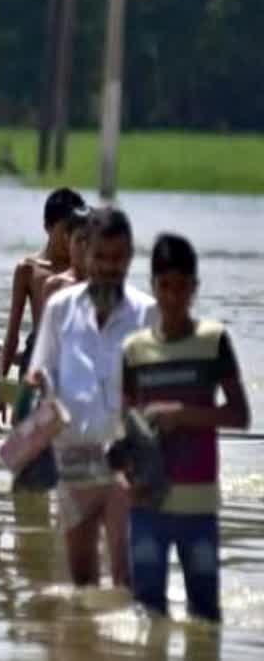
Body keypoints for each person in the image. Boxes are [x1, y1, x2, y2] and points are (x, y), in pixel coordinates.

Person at [121, 234, 250, 623]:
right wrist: (126, 470)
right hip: (147, 504)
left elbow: (240, 415)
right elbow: (124, 423)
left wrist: (182, 414)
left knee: (205, 617)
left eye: (182, 287)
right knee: (148, 616)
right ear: (154, 287)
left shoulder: (213, 342)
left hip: (199, 506)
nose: (174, 297)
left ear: (194, 288)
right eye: (165, 287)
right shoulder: (135, 349)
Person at [26, 208, 156, 589]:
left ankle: (129, 643)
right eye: (100, 257)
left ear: (130, 257)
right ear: (85, 255)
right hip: (74, 457)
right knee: (82, 577)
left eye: (117, 259)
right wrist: (37, 385)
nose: (108, 267)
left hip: (125, 462)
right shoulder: (60, 309)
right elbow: (43, 370)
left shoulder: (147, 314)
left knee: (124, 572)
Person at [0, 188, 86, 429]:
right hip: (36, 356)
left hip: (72, 357)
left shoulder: (82, 271)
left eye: (75, 232)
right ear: (48, 227)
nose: (69, 239)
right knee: (23, 428)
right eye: (65, 231)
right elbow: (12, 335)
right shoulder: (28, 270)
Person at [43, 211, 92, 302]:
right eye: (79, 240)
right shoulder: (55, 285)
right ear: (68, 239)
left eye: (89, 240)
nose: (84, 247)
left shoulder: (105, 285)